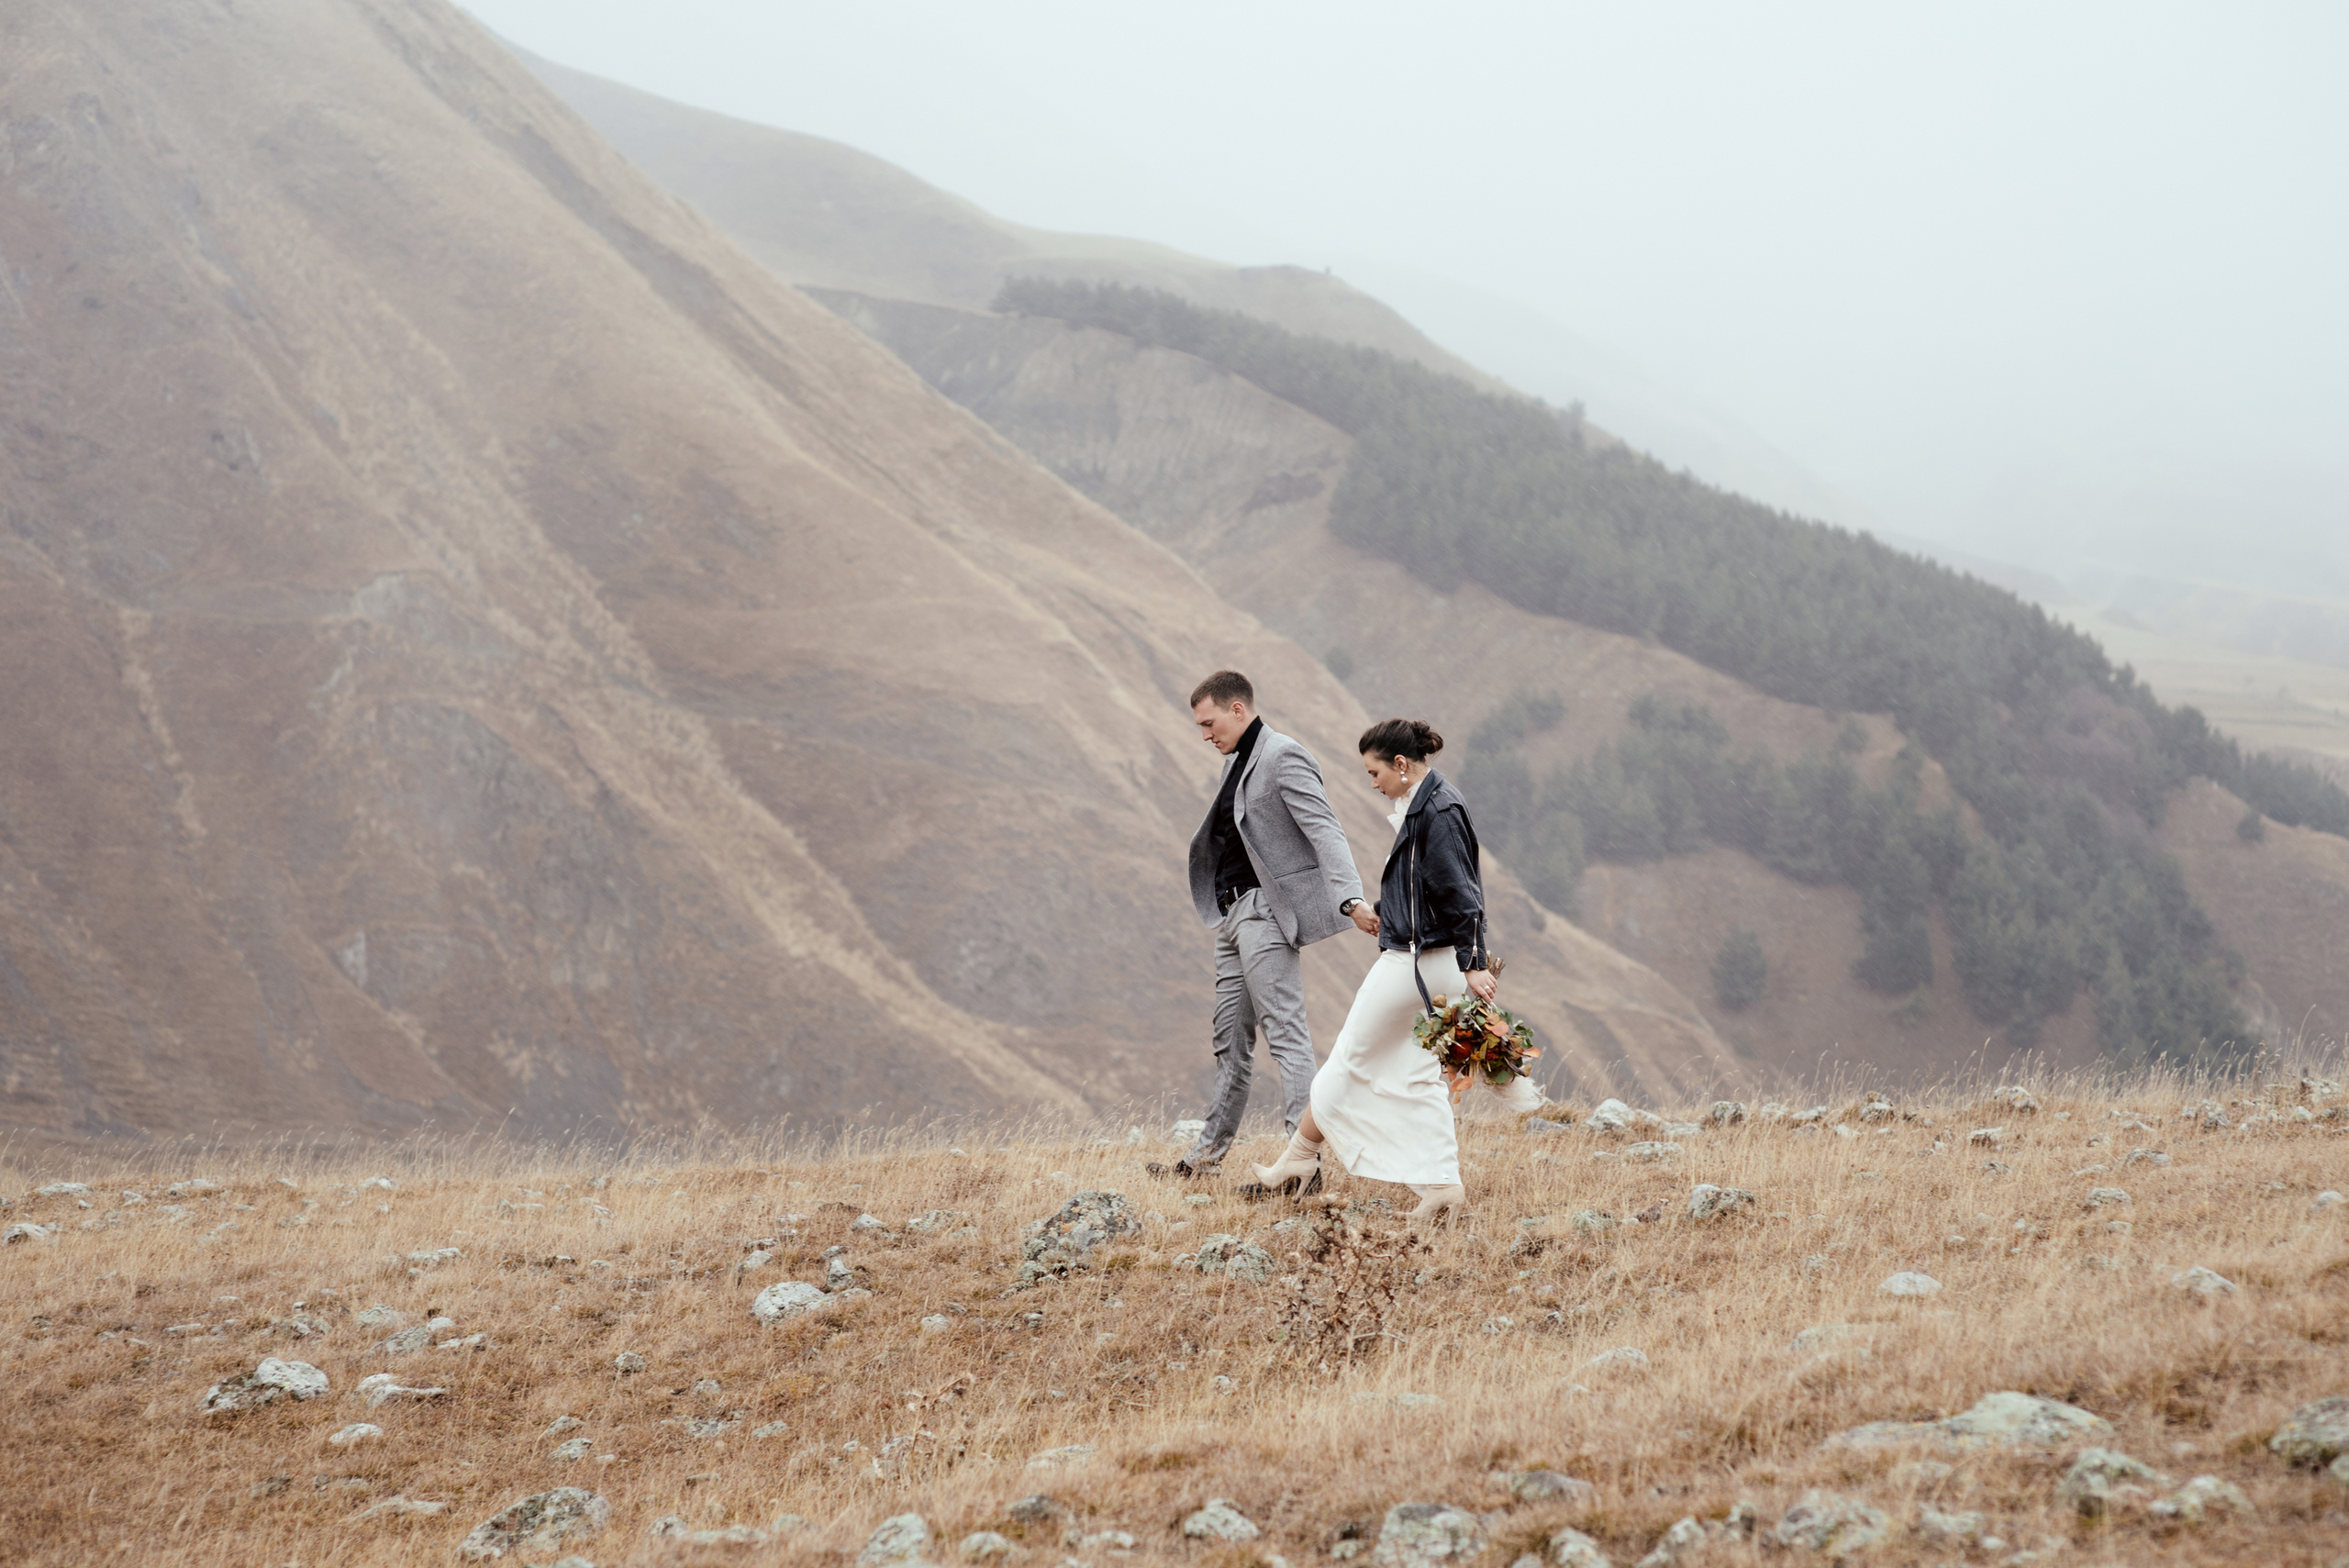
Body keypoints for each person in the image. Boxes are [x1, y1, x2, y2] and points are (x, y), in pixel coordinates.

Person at [1250, 717, 1527, 1225]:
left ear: (1401, 765)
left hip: (1415, 963)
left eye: (1374, 772)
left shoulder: (1437, 810)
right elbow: (1429, 889)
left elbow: (1462, 893)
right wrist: (1387, 911)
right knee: (1415, 1075)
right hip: (1427, 957)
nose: (1371, 782)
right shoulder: (1432, 802)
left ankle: (1299, 1158)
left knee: (1350, 1062)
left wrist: (1472, 963)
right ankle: (1440, 1187)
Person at [1153, 671, 1367, 1185]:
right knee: (1230, 1039)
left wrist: (1350, 897)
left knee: (1286, 1033)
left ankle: (1303, 1166)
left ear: (1236, 709)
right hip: (1230, 919)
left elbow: (1325, 830)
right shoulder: (1236, 761)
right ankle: (1203, 1163)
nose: (1205, 735)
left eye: (1209, 723)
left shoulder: (1282, 755)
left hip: (1265, 915)